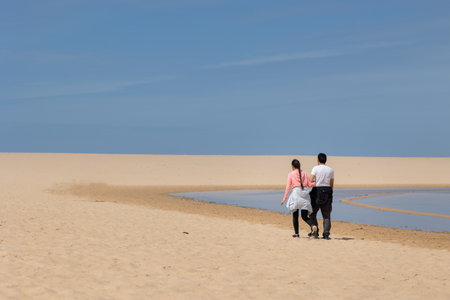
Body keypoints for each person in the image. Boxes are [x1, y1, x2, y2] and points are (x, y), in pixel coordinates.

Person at [281, 159, 316, 238]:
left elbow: (288, 187)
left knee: (295, 215)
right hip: (305, 195)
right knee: (304, 216)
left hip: (296, 195)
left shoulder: (291, 174)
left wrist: (284, 198)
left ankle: (296, 234)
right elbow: (309, 184)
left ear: (292, 166)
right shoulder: (304, 173)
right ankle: (312, 225)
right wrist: (317, 182)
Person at [309, 153, 334, 240]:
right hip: (327, 191)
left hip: (317, 191)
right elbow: (331, 184)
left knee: (312, 213)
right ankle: (326, 234)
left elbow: (311, 179)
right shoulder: (330, 170)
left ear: (318, 160)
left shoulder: (315, 168)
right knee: (326, 215)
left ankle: (315, 230)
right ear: (325, 160)